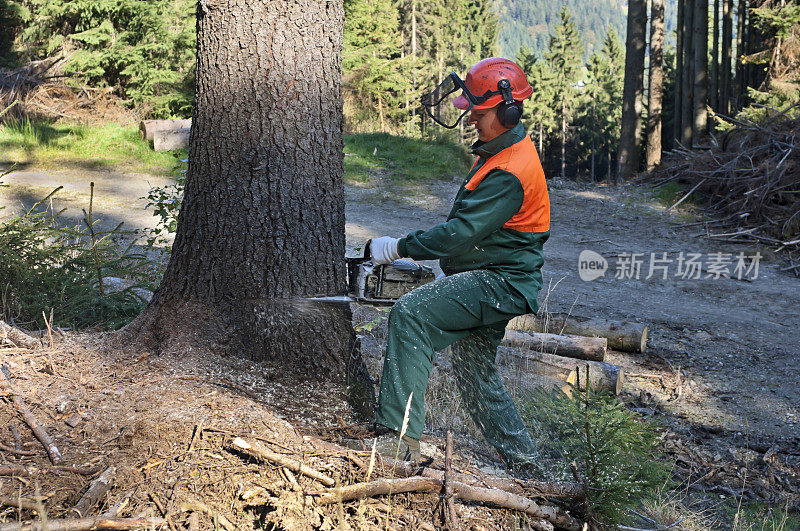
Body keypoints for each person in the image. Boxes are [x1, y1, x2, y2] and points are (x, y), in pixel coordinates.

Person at [365, 57, 551, 475]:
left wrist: (398, 247)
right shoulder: (499, 151)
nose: (471, 121)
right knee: (476, 376)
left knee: (411, 314)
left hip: (500, 282)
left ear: (507, 113)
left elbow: (458, 234)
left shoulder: (510, 170)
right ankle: (530, 469)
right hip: (495, 277)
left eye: (479, 114)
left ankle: (397, 443)